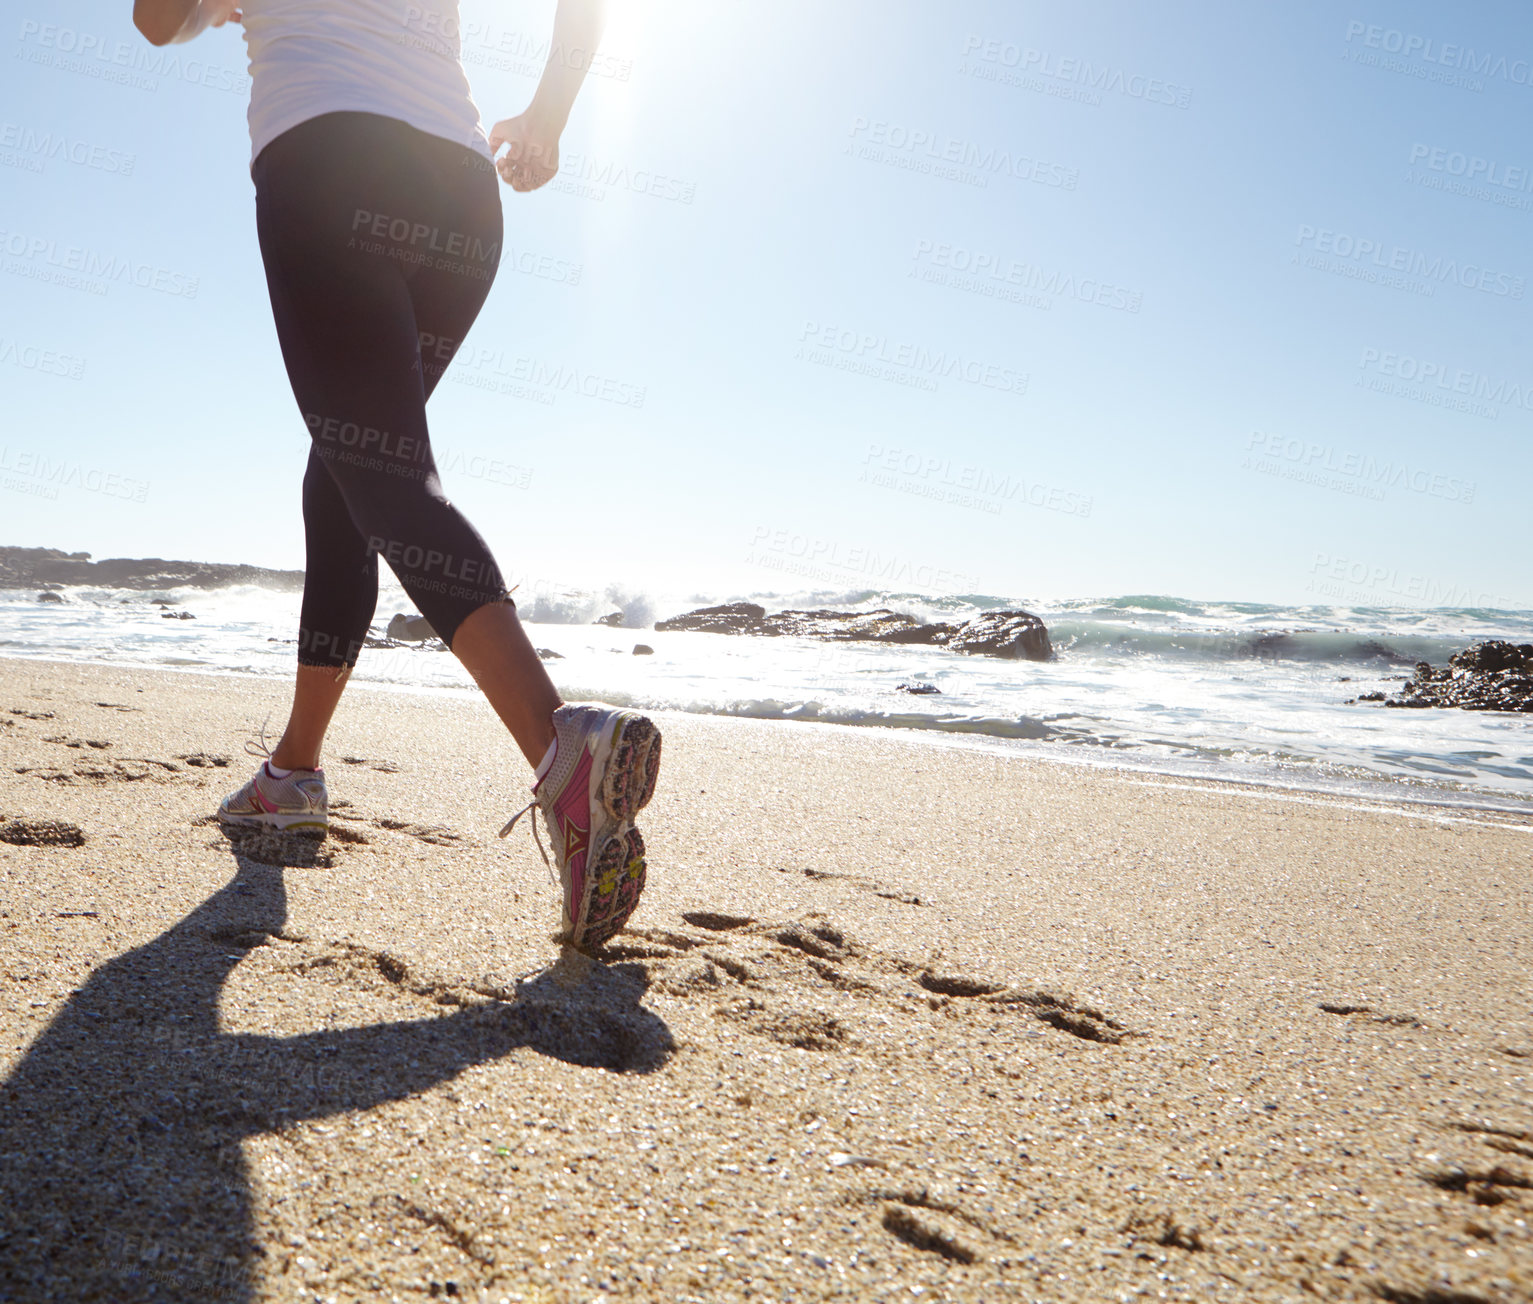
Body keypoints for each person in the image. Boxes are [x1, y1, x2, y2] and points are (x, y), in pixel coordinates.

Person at [132, 0, 660, 952]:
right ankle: (293, 773)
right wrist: (548, 115)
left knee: (386, 475)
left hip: (328, 164)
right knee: (346, 473)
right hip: (458, 193)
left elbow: (156, 21)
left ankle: (562, 751)